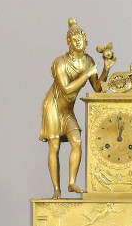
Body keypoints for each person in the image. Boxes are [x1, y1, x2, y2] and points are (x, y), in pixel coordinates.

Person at [40, 19, 113, 197]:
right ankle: (56, 190)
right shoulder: (60, 62)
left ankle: (71, 183)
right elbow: (65, 88)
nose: (78, 41)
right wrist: (87, 74)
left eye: (81, 38)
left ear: (85, 41)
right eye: (74, 39)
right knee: (54, 147)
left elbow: (97, 88)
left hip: (67, 109)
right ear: (69, 42)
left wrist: (105, 69)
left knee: (77, 142)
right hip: (53, 106)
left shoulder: (89, 61)